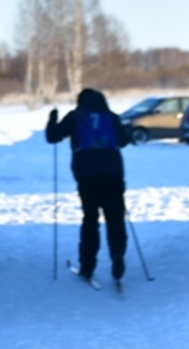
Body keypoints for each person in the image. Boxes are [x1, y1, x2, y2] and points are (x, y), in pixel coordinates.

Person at [45, 89, 130, 287]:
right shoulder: (111, 117)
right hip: (113, 173)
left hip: (86, 175)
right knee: (115, 217)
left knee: (90, 219)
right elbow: (124, 141)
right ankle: (117, 253)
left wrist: (52, 119)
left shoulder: (76, 117)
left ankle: (88, 265)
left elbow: (53, 136)